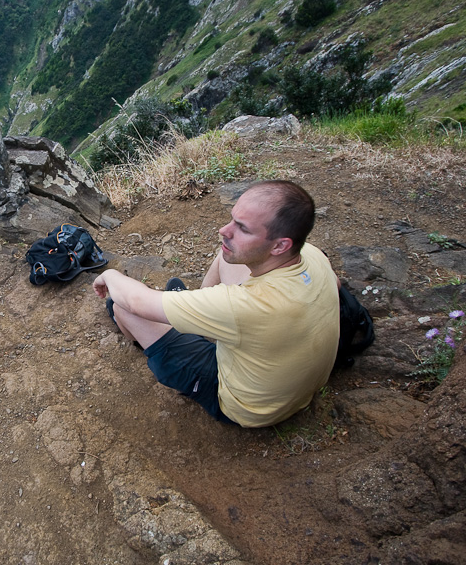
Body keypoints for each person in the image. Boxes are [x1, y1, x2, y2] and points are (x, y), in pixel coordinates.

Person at [92, 180, 340, 427]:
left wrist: (110, 275)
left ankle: (151, 340)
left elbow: (136, 302)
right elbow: (336, 286)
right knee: (227, 256)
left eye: (242, 228)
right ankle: (199, 315)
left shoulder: (245, 305)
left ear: (279, 245)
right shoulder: (314, 257)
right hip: (290, 388)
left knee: (120, 306)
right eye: (232, 219)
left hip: (247, 408)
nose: (224, 229)